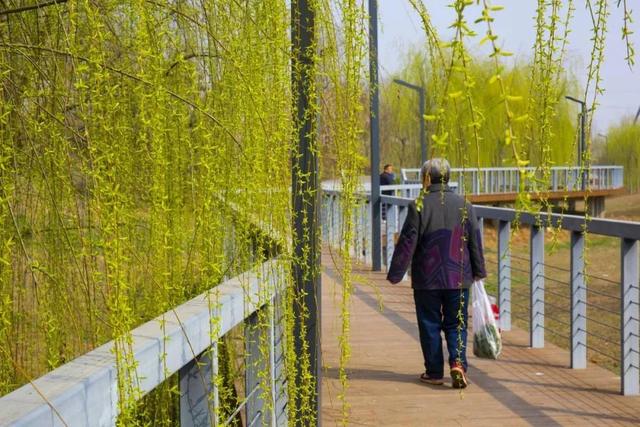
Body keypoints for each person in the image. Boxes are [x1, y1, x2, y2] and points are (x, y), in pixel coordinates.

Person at [386, 158, 486, 389]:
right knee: (456, 324)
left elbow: (408, 242)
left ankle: (433, 372)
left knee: (429, 323)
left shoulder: (418, 206)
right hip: (458, 276)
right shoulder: (465, 205)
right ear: (448, 178)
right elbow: (474, 242)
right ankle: (458, 364)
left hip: (427, 278)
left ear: (427, 178)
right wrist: (479, 271)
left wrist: (396, 273)